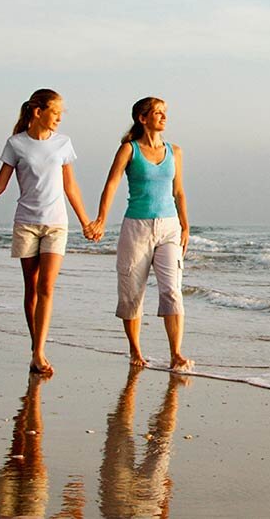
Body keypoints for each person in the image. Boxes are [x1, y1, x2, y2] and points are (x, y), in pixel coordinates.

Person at [0, 89, 92, 375]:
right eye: (55, 112)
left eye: (61, 113)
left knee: (46, 287)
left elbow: (71, 187)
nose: (59, 118)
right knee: (31, 288)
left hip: (56, 224)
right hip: (26, 224)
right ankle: (36, 348)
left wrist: (85, 221)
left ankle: (39, 351)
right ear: (37, 111)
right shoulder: (16, 144)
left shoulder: (63, 144)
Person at [88, 97, 192, 371]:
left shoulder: (175, 151)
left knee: (172, 290)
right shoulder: (129, 150)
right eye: (157, 112)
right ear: (142, 118)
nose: (163, 117)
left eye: (164, 112)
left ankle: (176, 353)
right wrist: (100, 219)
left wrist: (185, 225)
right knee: (132, 293)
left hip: (169, 227)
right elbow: (111, 185)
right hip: (136, 227)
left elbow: (178, 191)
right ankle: (135, 350)